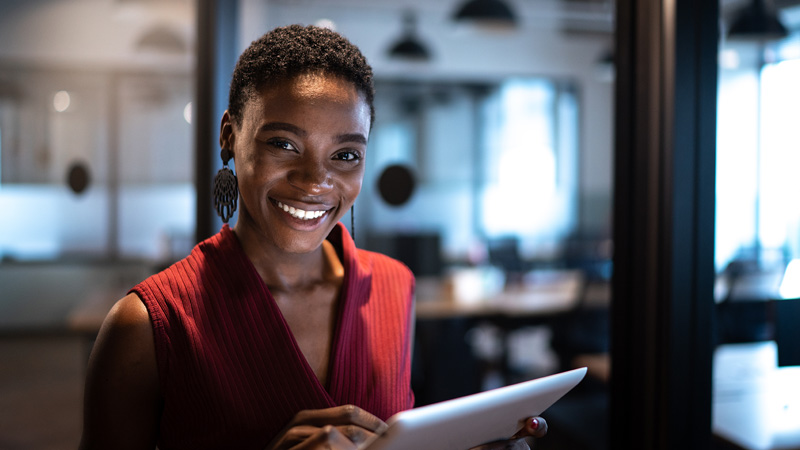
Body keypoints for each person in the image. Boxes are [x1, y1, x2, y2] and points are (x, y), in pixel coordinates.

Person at [79, 24, 547, 450]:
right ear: (229, 136)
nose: (315, 180)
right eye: (283, 144)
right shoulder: (147, 325)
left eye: (345, 154)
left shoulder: (392, 286)